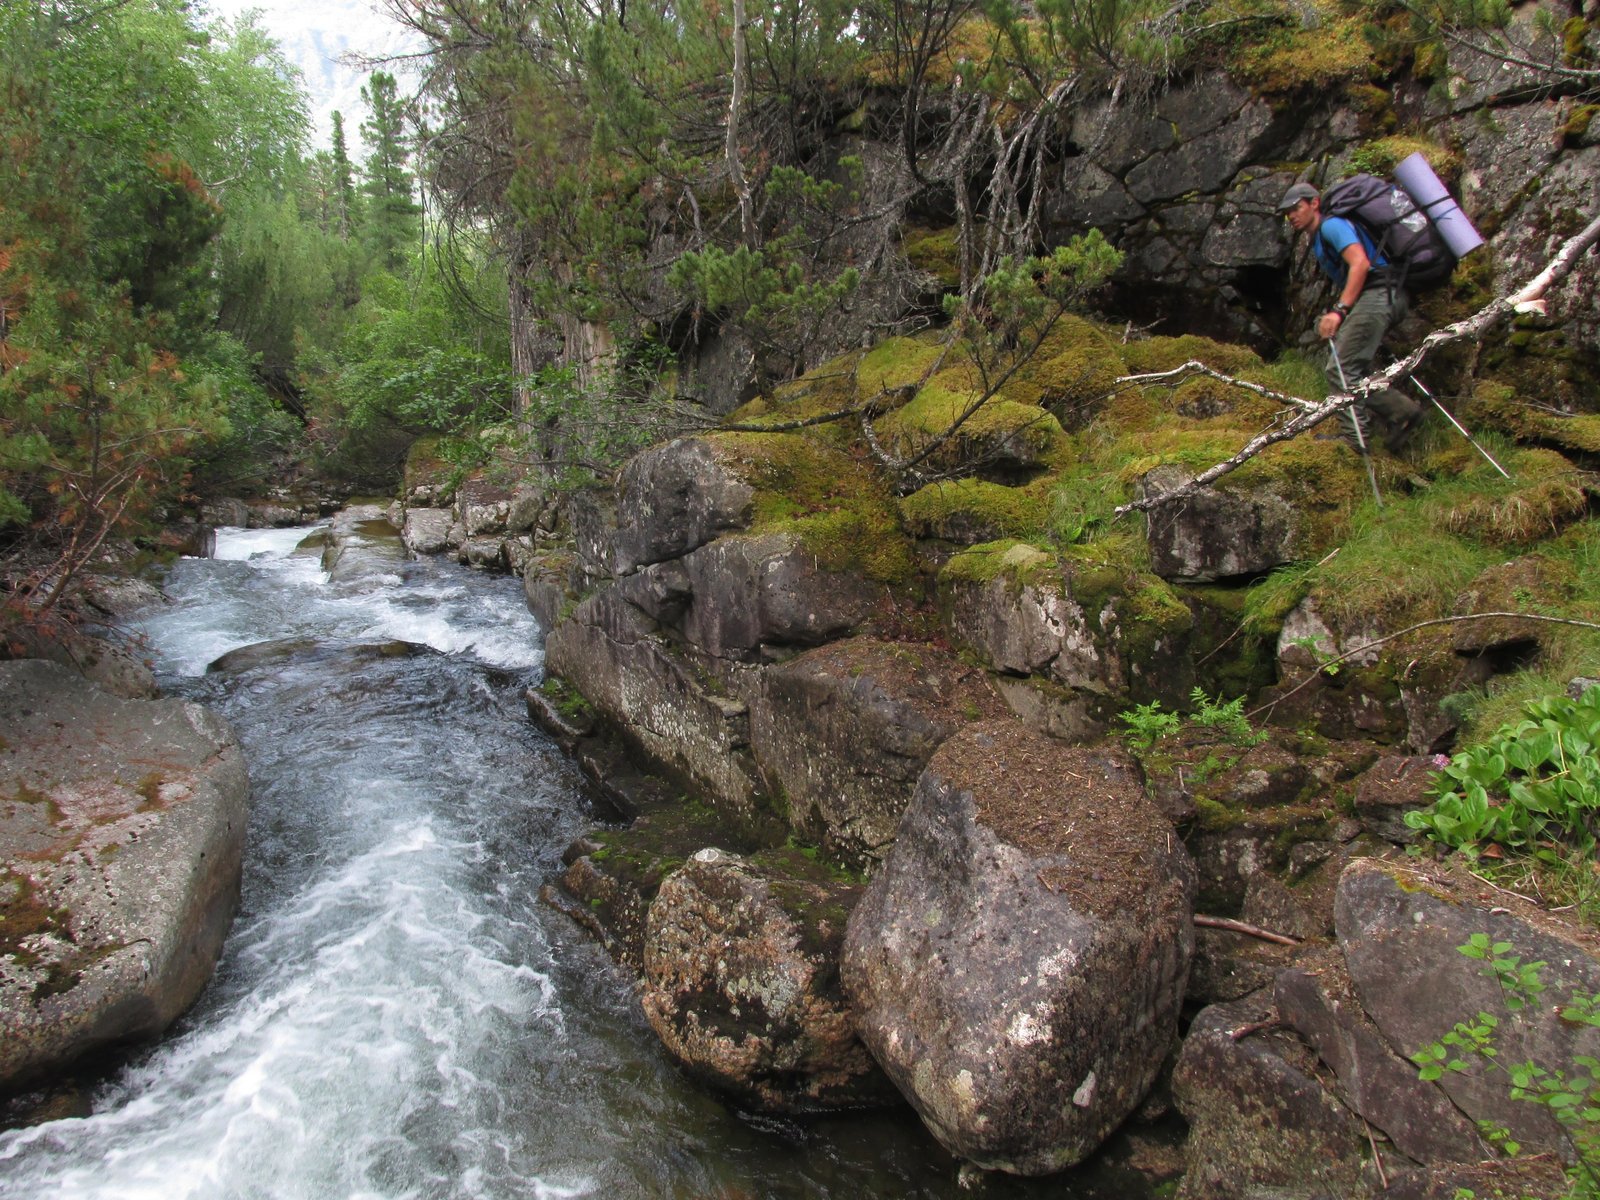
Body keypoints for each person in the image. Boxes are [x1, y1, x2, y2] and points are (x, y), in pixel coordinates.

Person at [1277, 181, 1424, 453]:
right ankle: (1402, 412)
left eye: (1296, 208)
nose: (1292, 216)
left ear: (1314, 203)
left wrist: (1340, 310)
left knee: (1340, 369)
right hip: (1384, 295)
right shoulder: (1320, 236)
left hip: (1380, 295)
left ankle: (1355, 439)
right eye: (1288, 213)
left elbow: (1360, 263)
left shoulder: (1331, 226)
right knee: (1353, 368)